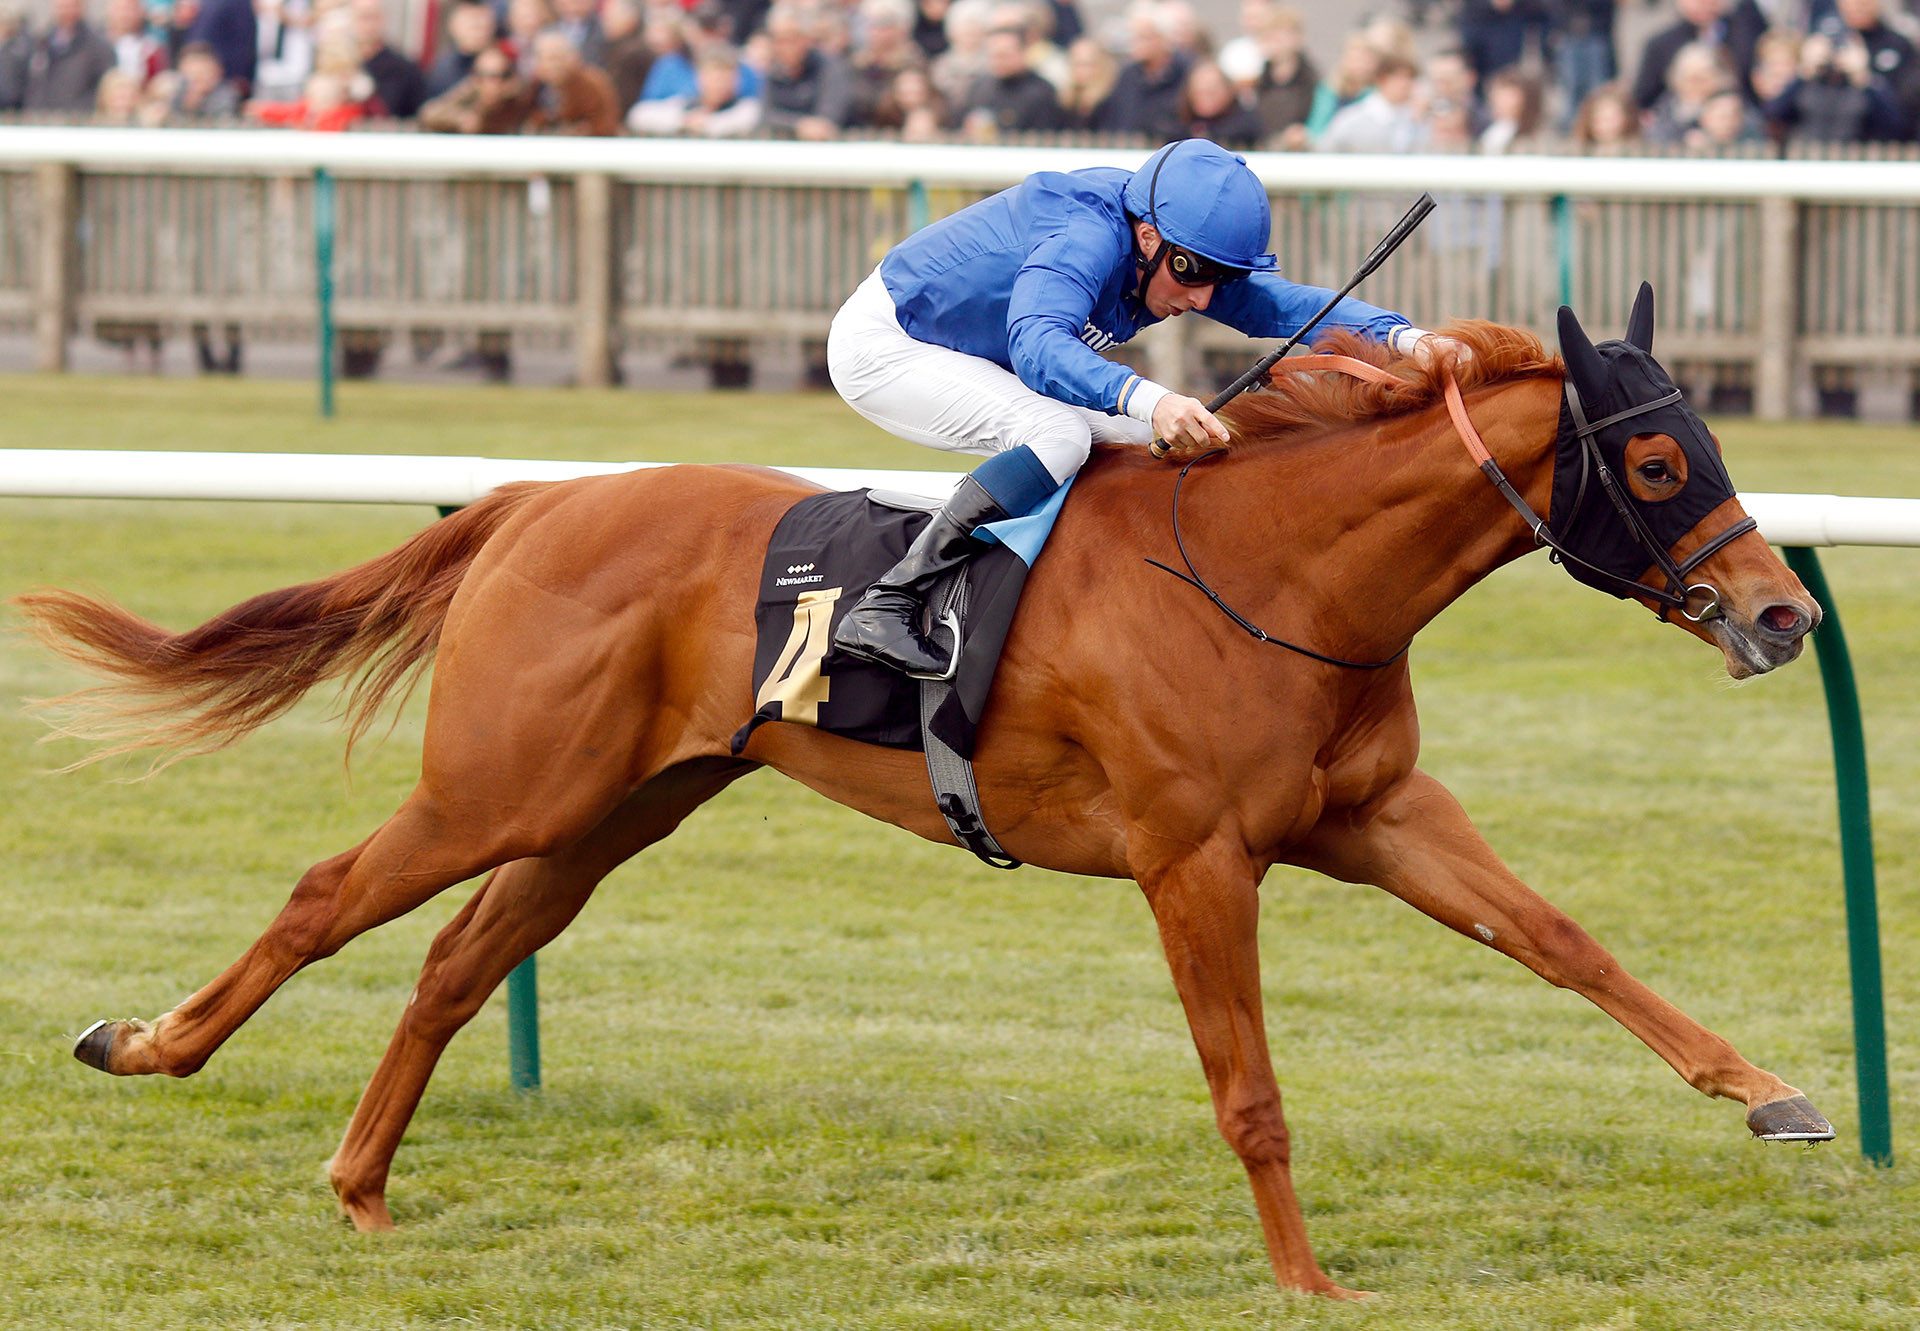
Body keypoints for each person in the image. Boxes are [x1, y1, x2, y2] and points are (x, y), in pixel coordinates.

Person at [824, 139, 1450, 678]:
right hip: (890, 345)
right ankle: (888, 603)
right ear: (1148, 237)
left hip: (978, 352)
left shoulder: (1165, 242)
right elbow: (1039, 343)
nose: (1203, 295)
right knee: (1059, 434)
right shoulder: (1085, 235)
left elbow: (1285, 307)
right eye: (1192, 271)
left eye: (1219, 279)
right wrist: (1152, 398)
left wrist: (1408, 339)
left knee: (1167, 440)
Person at [22, 0, 117, 113]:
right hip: (40, 121)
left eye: (71, 5)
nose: (66, 11)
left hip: (79, 122)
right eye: (62, 5)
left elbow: (104, 91)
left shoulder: (98, 48)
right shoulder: (39, 43)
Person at [525, 28, 620, 132]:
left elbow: (605, 125)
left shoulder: (591, 84)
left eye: (557, 58)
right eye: (545, 59)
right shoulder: (537, 86)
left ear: (573, 57)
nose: (552, 66)